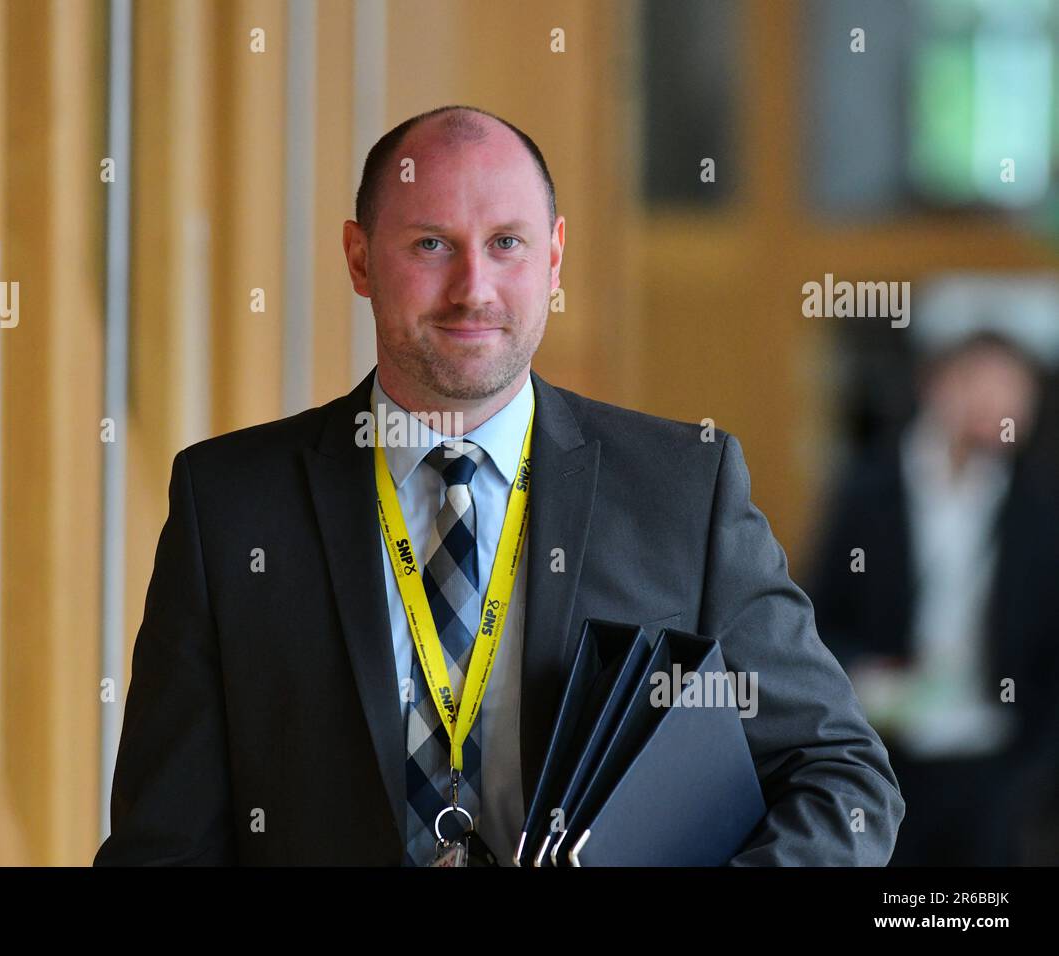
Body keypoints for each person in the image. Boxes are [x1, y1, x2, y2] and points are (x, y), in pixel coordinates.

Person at [94, 104, 903, 866]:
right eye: (431, 245)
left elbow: (840, 776)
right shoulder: (230, 505)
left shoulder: (686, 488)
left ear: (554, 256)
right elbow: (163, 847)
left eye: (507, 244)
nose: (473, 289)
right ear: (358, 257)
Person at [809, 313, 1059, 866]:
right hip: (889, 754)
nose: (1000, 408)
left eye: (1017, 395)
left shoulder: (1038, 503)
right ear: (939, 385)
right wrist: (867, 676)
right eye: (984, 386)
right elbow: (816, 615)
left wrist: (1032, 775)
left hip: (996, 763)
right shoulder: (869, 490)